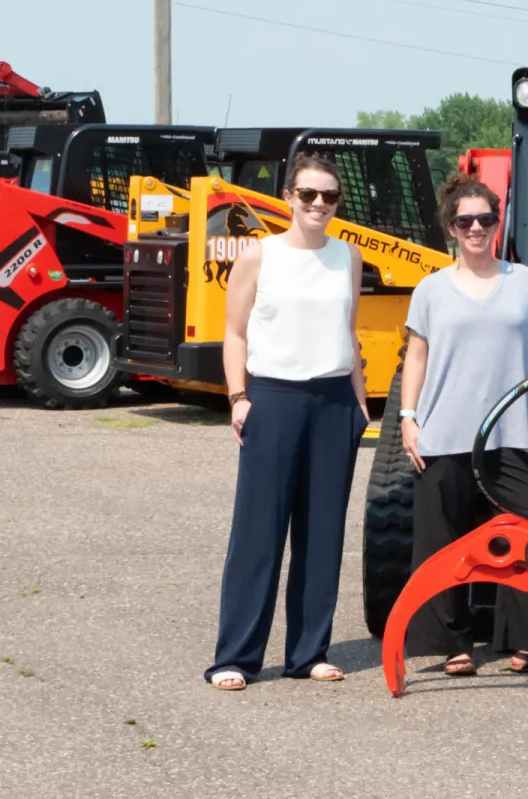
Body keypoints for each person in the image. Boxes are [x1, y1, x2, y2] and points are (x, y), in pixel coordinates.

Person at [397, 173, 528, 676]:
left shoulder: (525, 283)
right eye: (465, 220)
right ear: (450, 227)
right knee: (441, 541)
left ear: (497, 224)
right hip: (443, 432)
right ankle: (453, 647)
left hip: (508, 437)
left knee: (526, 537)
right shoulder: (430, 290)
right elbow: (417, 356)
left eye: (486, 219)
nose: (476, 228)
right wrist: (409, 417)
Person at [207, 154, 368, 690]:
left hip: (334, 403)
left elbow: (350, 333)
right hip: (273, 399)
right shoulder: (260, 255)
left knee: (322, 535)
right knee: (259, 532)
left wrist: (359, 398)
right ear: (288, 197)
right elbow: (235, 334)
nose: (319, 204)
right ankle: (236, 657)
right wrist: (238, 397)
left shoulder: (349, 257)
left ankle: (307, 652)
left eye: (329, 196)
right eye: (308, 194)